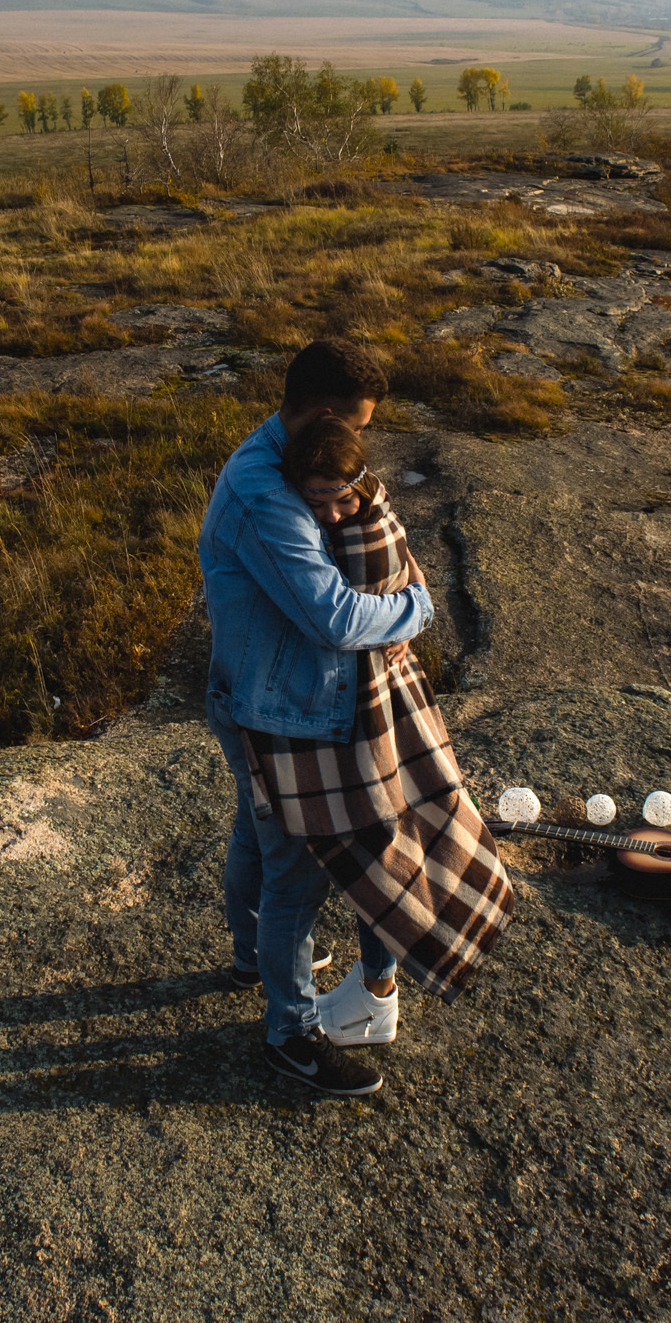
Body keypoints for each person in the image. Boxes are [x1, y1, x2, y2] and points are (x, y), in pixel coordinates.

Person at [198, 340, 513, 1096]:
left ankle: (250, 957)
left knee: (258, 837)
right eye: (360, 425)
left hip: (262, 694)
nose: (361, 446)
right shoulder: (264, 490)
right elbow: (333, 618)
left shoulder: (291, 459)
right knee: (296, 882)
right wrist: (416, 606)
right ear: (328, 412)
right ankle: (291, 1034)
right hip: (282, 713)